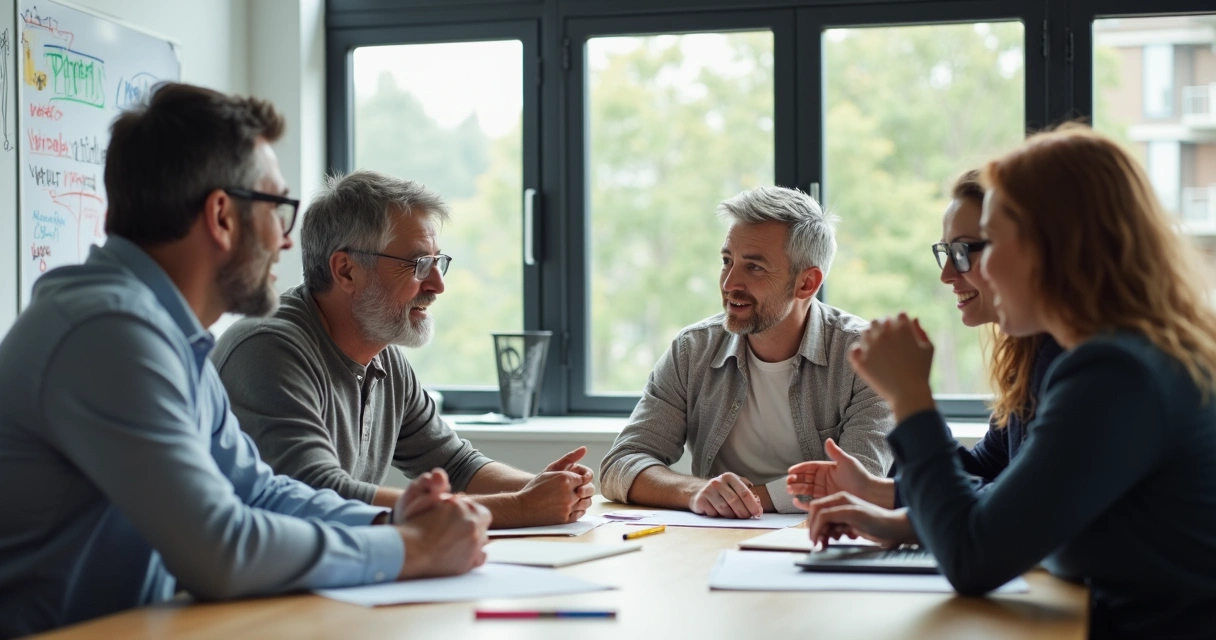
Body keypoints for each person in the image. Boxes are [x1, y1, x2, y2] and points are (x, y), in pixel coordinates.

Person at [0, 84, 490, 637]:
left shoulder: (164, 335)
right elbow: (222, 550)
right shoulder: (107, 334)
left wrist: (390, 518)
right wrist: (408, 548)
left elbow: (257, 491)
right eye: (278, 209)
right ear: (222, 216)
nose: (287, 243)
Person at [803, 125, 1216, 639]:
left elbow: (973, 558)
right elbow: (1007, 514)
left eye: (991, 242)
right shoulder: (1121, 360)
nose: (979, 271)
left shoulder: (1115, 376)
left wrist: (910, 397)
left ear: (1057, 246)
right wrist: (897, 514)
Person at [212, 170, 594, 528]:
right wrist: (523, 507)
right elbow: (318, 495)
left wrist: (546, 490)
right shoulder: (269, 349)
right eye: (418, 263)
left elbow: (457, 465)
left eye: (437, 262)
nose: (437, 285)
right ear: (346, 271)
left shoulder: (384, 357)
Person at [785, 171, 1064, 536]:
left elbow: (990, 533)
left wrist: (911, 397)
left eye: (963, 251)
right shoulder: (1032, 355)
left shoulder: (1081, 365)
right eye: (946, 252)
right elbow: (981, 478)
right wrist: (873, 493)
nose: (947, 274)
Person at [599, 186, 895, 518]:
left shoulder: (868, 355)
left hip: (823, 539)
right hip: (714, 541)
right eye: (727, 261)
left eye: (753, 268)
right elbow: (619, 465)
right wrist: (695, 491)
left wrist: (747, 499)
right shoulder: (692, 350)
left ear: (807, 283)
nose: (729, 283)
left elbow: (861, 482)